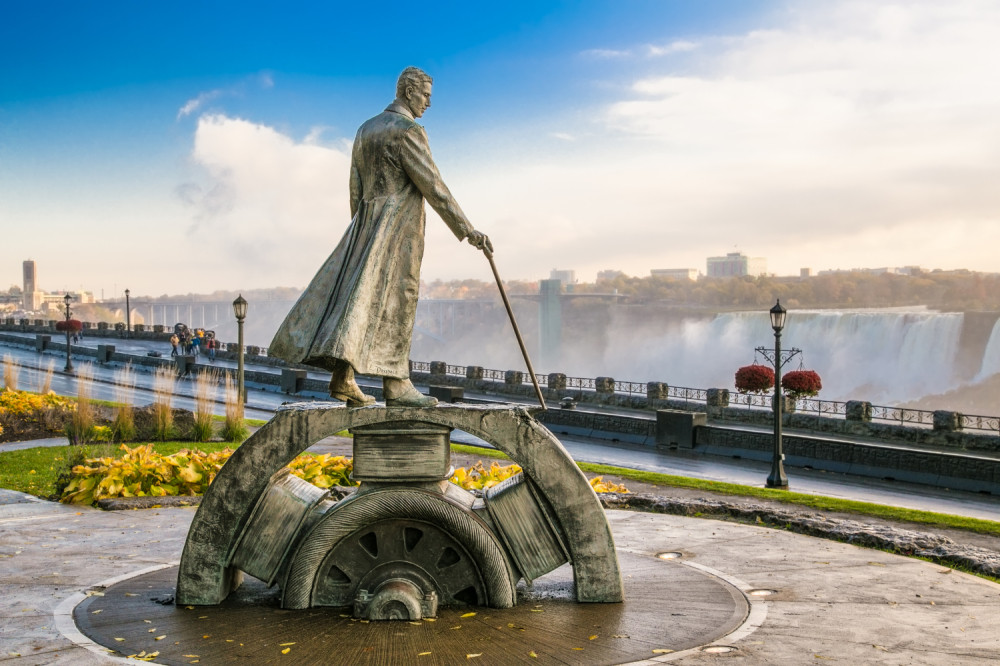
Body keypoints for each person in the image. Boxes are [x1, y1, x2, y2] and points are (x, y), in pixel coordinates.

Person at [270, 66, 491, 407]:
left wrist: (363, 232)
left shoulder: (365, 129)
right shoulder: (408, 131)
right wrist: (467, 230)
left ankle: (344, 377)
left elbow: (355, 188)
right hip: (398, 231)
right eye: (426, 96)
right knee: (398, 300)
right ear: (408, 92)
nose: (429, 104)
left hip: (365, 226)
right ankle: (396, 383)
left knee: (358, 301)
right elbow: (434, 187)